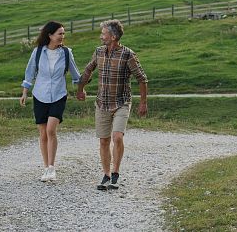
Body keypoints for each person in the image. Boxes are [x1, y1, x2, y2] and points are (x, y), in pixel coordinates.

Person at [76, 19, 148, 190]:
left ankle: (115, 173)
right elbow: (88, 70)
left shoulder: (128, 54)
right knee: (103, 141)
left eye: (103, 34)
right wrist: (80, 89)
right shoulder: (99, 52)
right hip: (102, 103)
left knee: (117, 137)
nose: (101, 36)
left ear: (113, 36)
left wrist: (143, 102)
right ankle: (106, 175)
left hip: (122, 102)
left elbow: (142, 79)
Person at [20, 20, 81, 182]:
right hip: (40, 95)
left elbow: (75, 75)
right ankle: (46, 167)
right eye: (59, 33)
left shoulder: (67, 53)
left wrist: (81, 89)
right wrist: (25, 93)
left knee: (51, 130)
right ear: (50, 35)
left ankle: (52, 168)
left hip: (59, 95)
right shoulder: (38, 52)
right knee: (43, 133)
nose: (62, 36)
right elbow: (29, 73)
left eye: (63, 33)